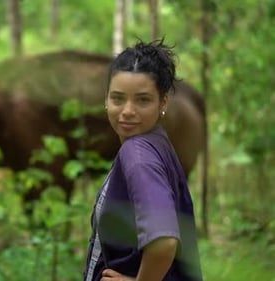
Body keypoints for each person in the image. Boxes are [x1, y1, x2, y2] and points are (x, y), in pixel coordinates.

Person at [83, 39, 203, 281]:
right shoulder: (157, 143)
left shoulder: (137, 155)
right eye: (118, 98)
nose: (127, 110)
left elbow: (164, 242)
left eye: (142, 100)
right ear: (106, 99)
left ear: (163, 102)